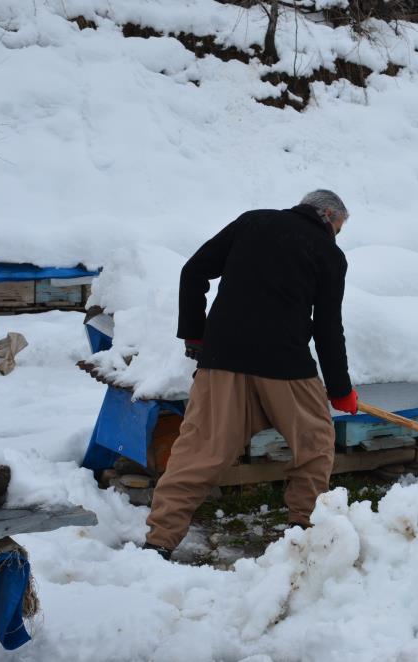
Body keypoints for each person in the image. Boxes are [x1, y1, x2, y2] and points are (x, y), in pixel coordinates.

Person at [143, 190, 359, 559]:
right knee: (315, 443)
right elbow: (327, 327)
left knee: (198, 451)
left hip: (221, 359)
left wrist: (195, 334)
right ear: (327, 215)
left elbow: (193, 271)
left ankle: (158, 541)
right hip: (285, 366)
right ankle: (301, 528)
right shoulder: (328, 253)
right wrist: (340, 390)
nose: (336, 236)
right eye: (338, 228)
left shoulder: (252, 221)